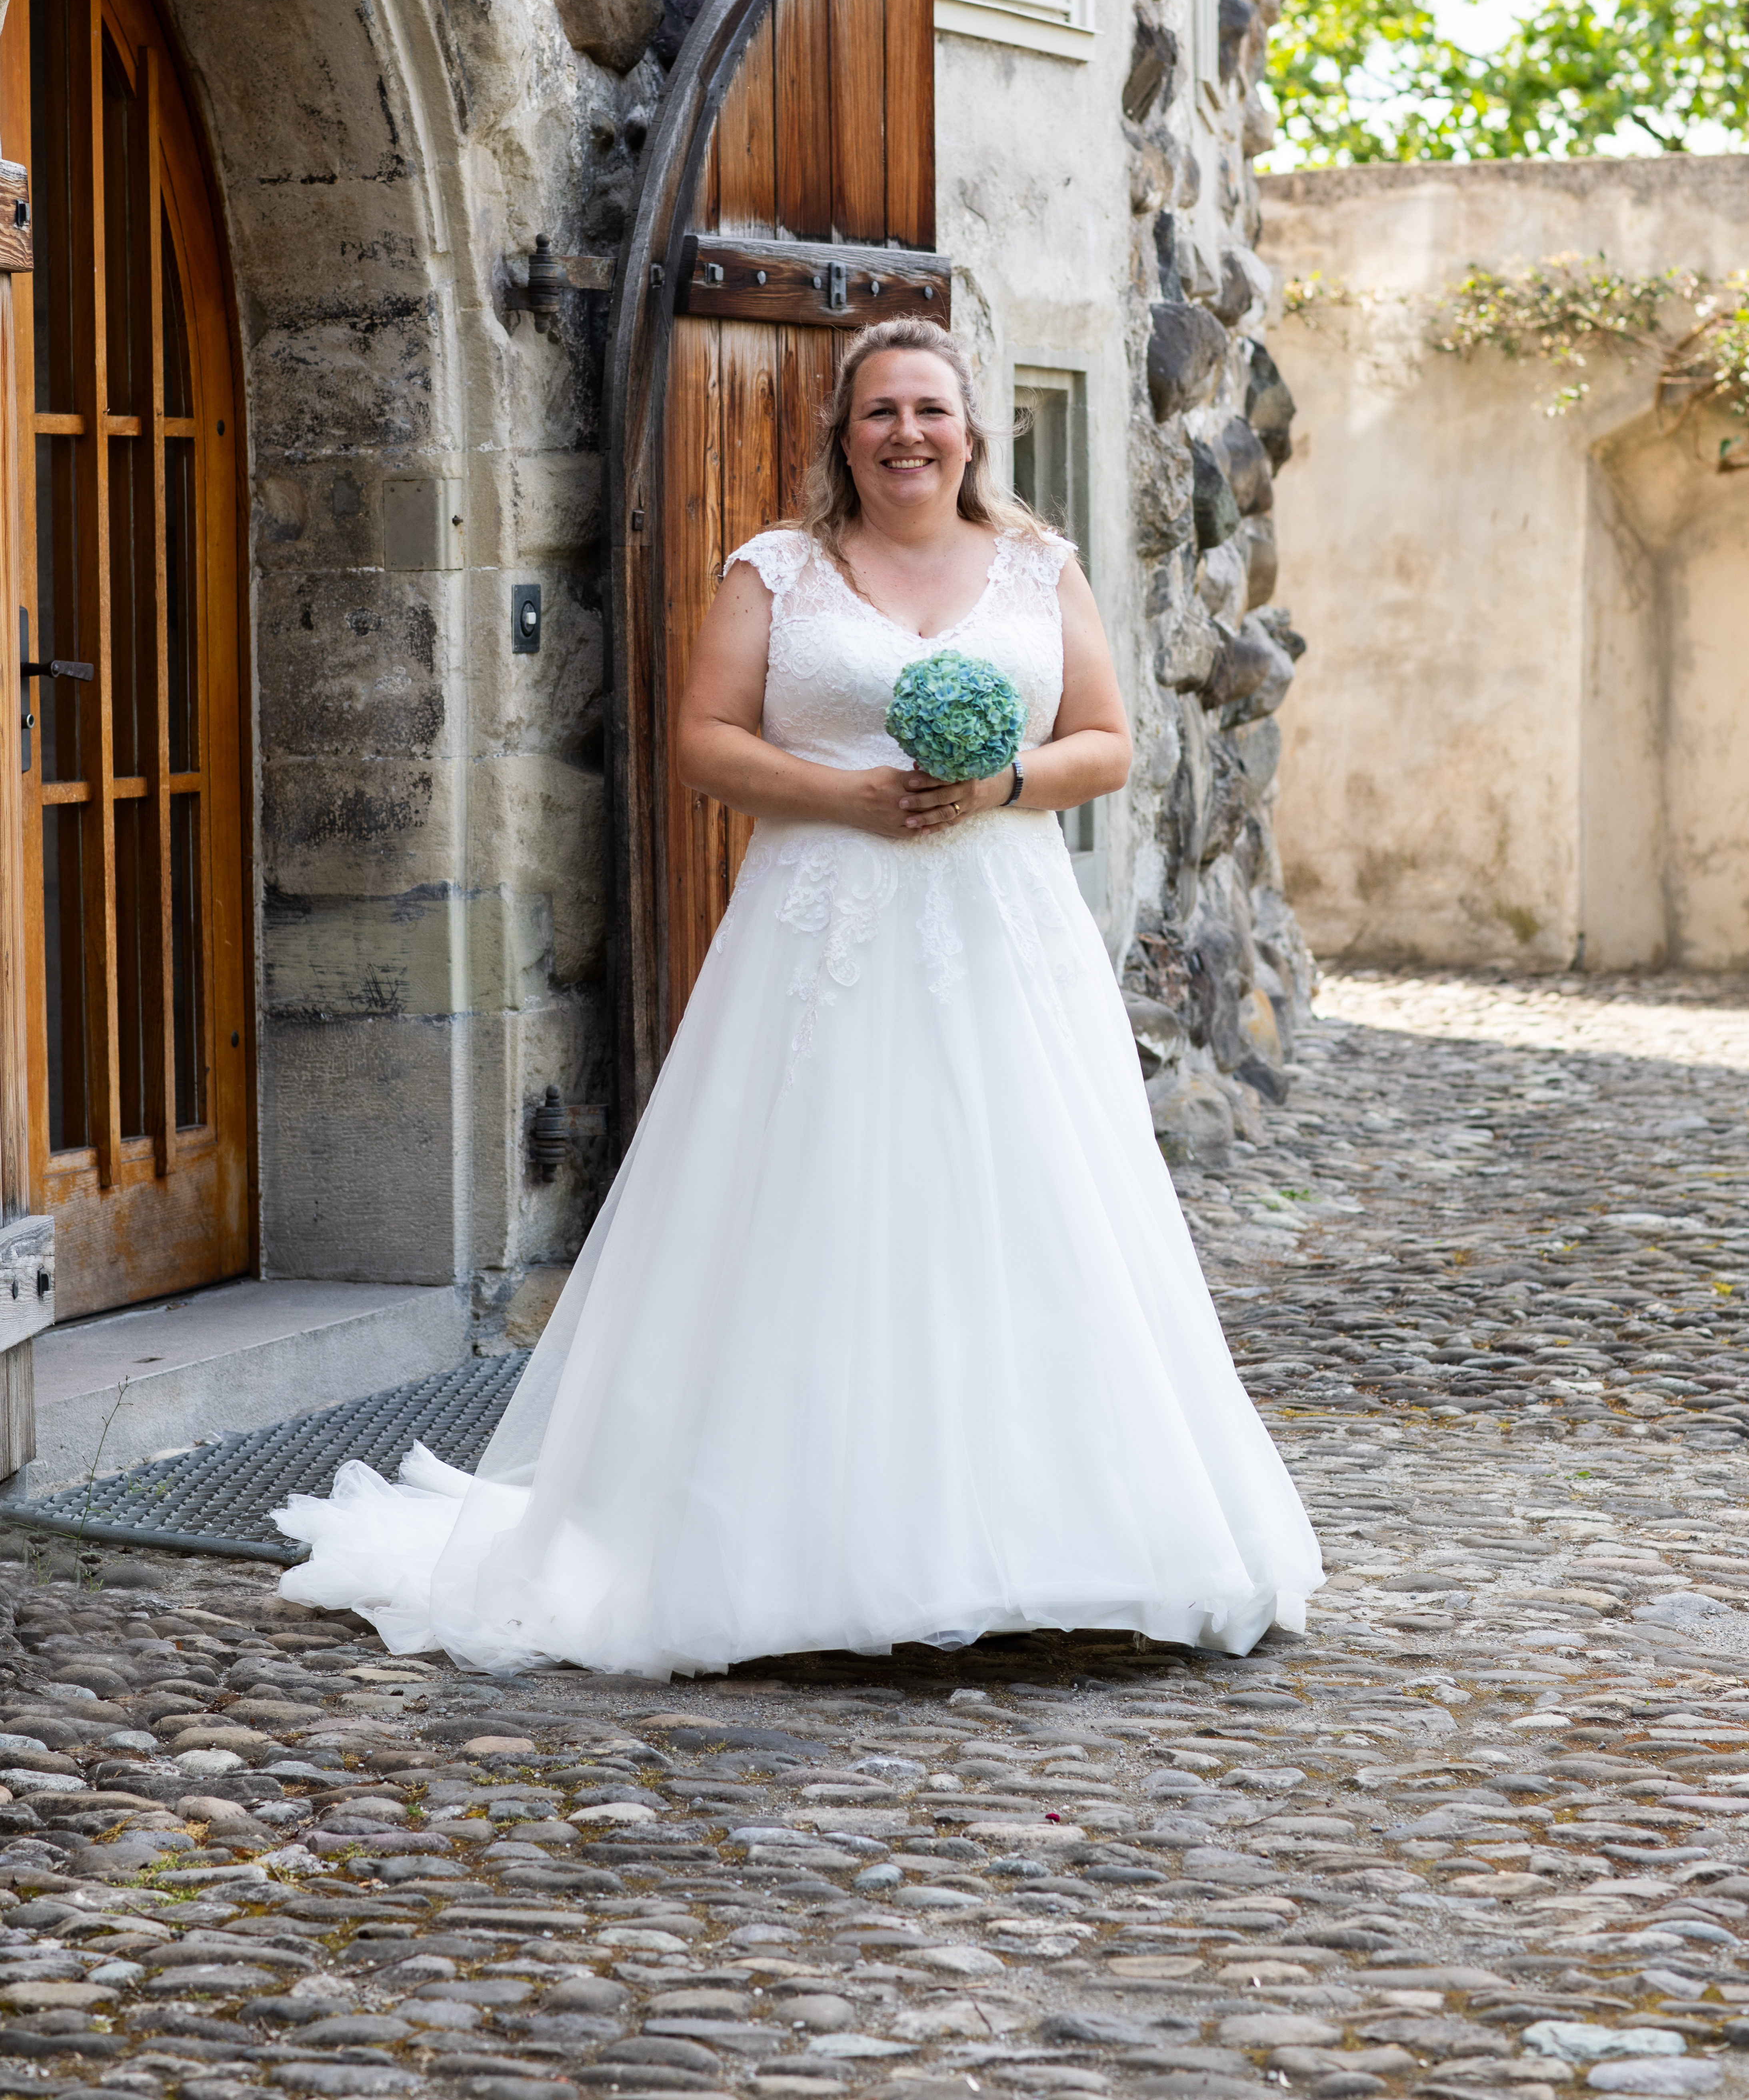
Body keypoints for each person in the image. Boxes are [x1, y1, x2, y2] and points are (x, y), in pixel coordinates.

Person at [274, 319, 1322, 1674]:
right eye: (878, 411)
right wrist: (850, 796)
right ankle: (791, 1544)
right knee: (821, 1198)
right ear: (844, 434)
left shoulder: (1036, 565)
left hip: (1001, 929)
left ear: (971, 431)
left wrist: (1001, 786)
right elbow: (704, 739)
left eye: (930, 410)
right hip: (823, 928)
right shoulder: (778, 570)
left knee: (1022, 1200)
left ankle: (1062, 1540)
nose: (906, 433)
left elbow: (1107, 743)